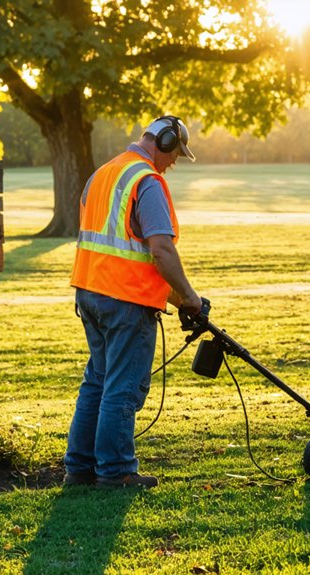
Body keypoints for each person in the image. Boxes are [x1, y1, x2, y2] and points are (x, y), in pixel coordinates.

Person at [64, 115, 202, 488]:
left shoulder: (103, 174)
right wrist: (190, 296)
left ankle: (80, 468)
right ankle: (116, 470)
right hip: (125, 302)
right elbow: (160, 251)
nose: (173, 163)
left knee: (98, 381)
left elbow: (130, 253)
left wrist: (183, 301)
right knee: (122, 387)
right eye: (175, 154)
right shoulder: (146, 181)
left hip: (90, 292)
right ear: (166, 142)